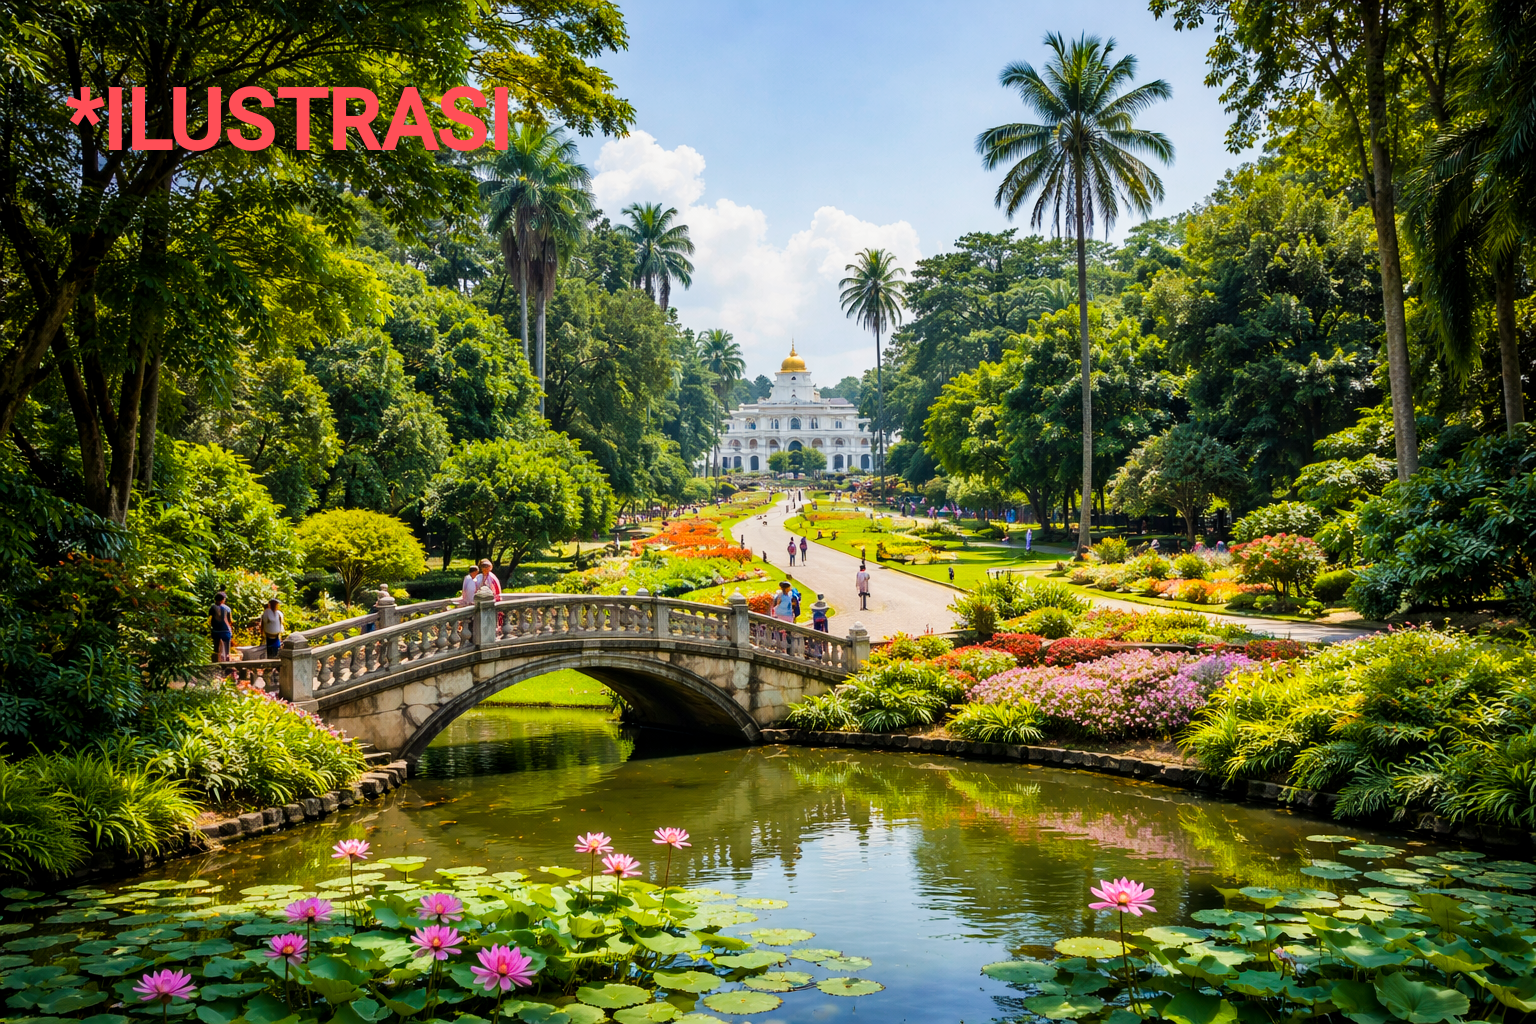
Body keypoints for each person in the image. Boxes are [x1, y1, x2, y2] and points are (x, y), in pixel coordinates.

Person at [210, 591, 234, 663]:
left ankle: (215, 662)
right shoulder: (227, 608)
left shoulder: (212, 607)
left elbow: (210, 618)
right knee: (227, 650)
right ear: (223, 599)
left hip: (216, 631)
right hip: (226, 630)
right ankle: (227, 662)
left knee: (216, 649)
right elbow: (230, 620)